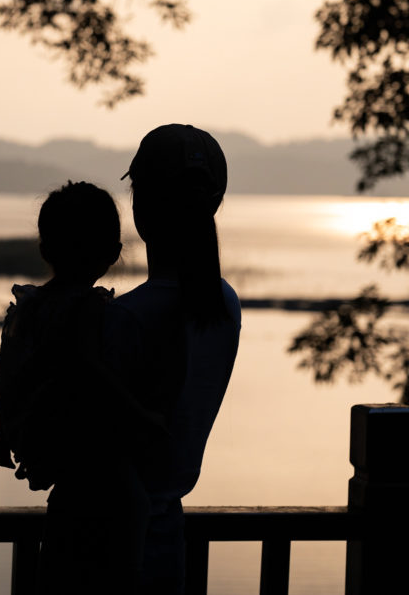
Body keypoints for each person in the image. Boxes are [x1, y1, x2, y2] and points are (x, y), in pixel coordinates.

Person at [0, 180, 164, 594]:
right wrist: (144, 418)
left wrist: (4, 431)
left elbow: (9, 375)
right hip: (106, 482)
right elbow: (86, 367)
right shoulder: (87, 306)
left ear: (45, 248)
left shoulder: (29, 308)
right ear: (112, 251)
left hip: (68, 485)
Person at [107, 123, 242, 594]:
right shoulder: (224, 305)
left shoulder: (122, 319)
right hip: (167, 543)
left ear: (140, 205)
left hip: (101, 546)